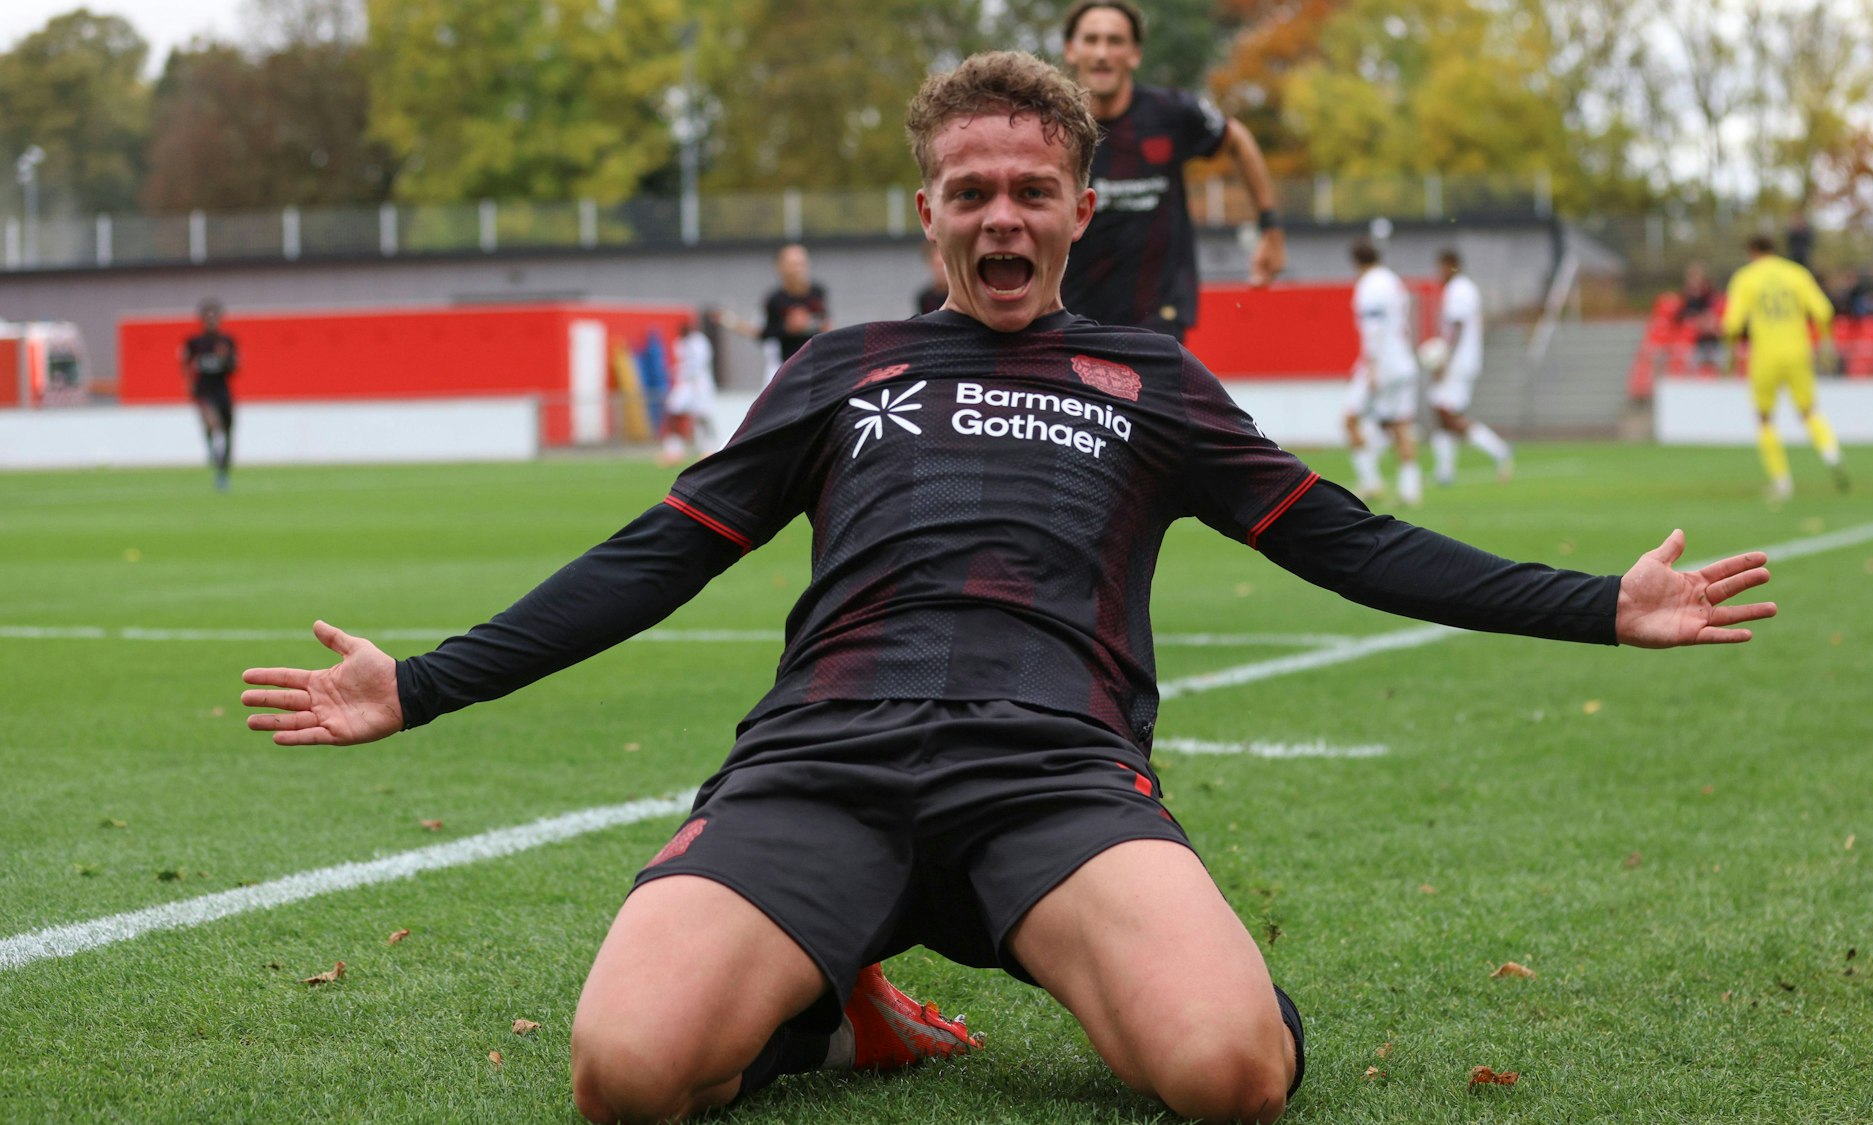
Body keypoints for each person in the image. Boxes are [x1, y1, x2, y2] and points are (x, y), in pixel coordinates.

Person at [242, 52, 1778, 1124]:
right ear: (926, 213)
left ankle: (1069, 960)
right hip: (820, 770)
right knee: (622, 1078)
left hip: (1053, 776)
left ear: (1078, 208)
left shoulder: (1150, 379)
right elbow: (659, 554)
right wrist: (425, 681)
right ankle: (821, 999)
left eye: (1031, 189)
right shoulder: (840, 369)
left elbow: (1353, 542)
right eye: (968, 189)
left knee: (1232, 1077)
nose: (999, 215)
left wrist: (1600, 603)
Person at [1059, 0, 1285, 339]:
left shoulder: (1172, 112)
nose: (1102, 52)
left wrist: (1270, 228)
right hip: (1069, 315)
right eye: (1091, 40)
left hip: (1157, 317)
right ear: (1071, 51)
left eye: (1115, 41)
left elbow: (1238, 139)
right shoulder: (1053, 124)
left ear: (1134, 54)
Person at [1723, 234, 1848, 501]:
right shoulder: (1796, 273)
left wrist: (1731, 352)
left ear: (1752, 252)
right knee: (1808, 410)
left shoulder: (1746, 277)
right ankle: (1830, 451)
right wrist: (1826, 343)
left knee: (1765, 418)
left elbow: (1732, 324)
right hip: (1798, 352)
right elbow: (1824, 311)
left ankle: (1782, 481)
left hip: (1765, 356)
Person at [1344, 239, 1423, 507]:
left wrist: (1372, 366)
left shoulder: (1369, 286)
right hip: (1403, 361)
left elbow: (1373, 328)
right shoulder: (1392, 281)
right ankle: (1410, 489)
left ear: (1356, 262)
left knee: (1351, 419)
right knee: (1400, 425)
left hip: (1382, 364)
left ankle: (1370, 481)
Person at [1426, 250, 1512, 486]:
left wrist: (1445, 360)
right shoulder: (1464, 289)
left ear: (1451, 265)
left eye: (1441, 267)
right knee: (1441, 414)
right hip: (1463, 361)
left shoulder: (1459, 289)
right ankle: (1445, 472)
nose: (1438, 274)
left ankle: (1499, 449)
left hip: (1458, 363)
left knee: (1447, 414)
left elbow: (1458, 327)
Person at [723, 243, 831, 385]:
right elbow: (764, 333)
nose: (798, 269)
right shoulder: (774, 300)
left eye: (801, 263)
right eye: (793, 264)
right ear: (781, 267)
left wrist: (816, 326)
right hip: (784, 366)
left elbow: (825, 323)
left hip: (815, 363)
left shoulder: (817, 293)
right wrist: (788, 328)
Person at [179, 299, 238, 491]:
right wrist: (188, 384)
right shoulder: (195, 342)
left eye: (215, 317)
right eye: (208, 317)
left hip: (223, 391)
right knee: (213, 424)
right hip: (204, 391)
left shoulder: (227, 342)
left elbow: (235, 368)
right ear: (202, 319)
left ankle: (223, 473)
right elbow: (185, 363)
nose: (212, 321)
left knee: (228, 432)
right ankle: (212, 448)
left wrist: (225, 359)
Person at [659, 314, 719, 466]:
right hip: (685, 385)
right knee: (673, 411)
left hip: (700, 384)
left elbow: (699, 364)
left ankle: (709, 450)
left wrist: (681, 370)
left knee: (703, 417)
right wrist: (675, 371)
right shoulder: (679, 343)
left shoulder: (700, 342)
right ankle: (674, 450)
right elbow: (682, 364)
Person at [1676, 262, 1723, 369]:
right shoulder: (1686, 300)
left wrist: (1706, 320)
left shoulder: (1710, 297)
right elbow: (1680, 317)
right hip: (1694, 342)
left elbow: (1713, 314)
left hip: (1712, 340)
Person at [915, 241, 951, 315]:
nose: (942, 270)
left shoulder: (962, 296)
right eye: (939, 265)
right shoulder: (925, 298)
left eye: (945, 264)